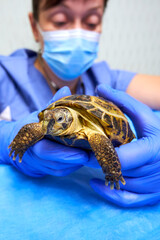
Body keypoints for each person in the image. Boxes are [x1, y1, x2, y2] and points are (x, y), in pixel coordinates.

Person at [0, 0, 160, 208]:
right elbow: (39, 127)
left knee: (99, 139)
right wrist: (7, 142)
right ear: (34, 27)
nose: (77, 33)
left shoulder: (105, 80)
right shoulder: (5, 75)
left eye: (91, 22)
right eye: (60, 21)